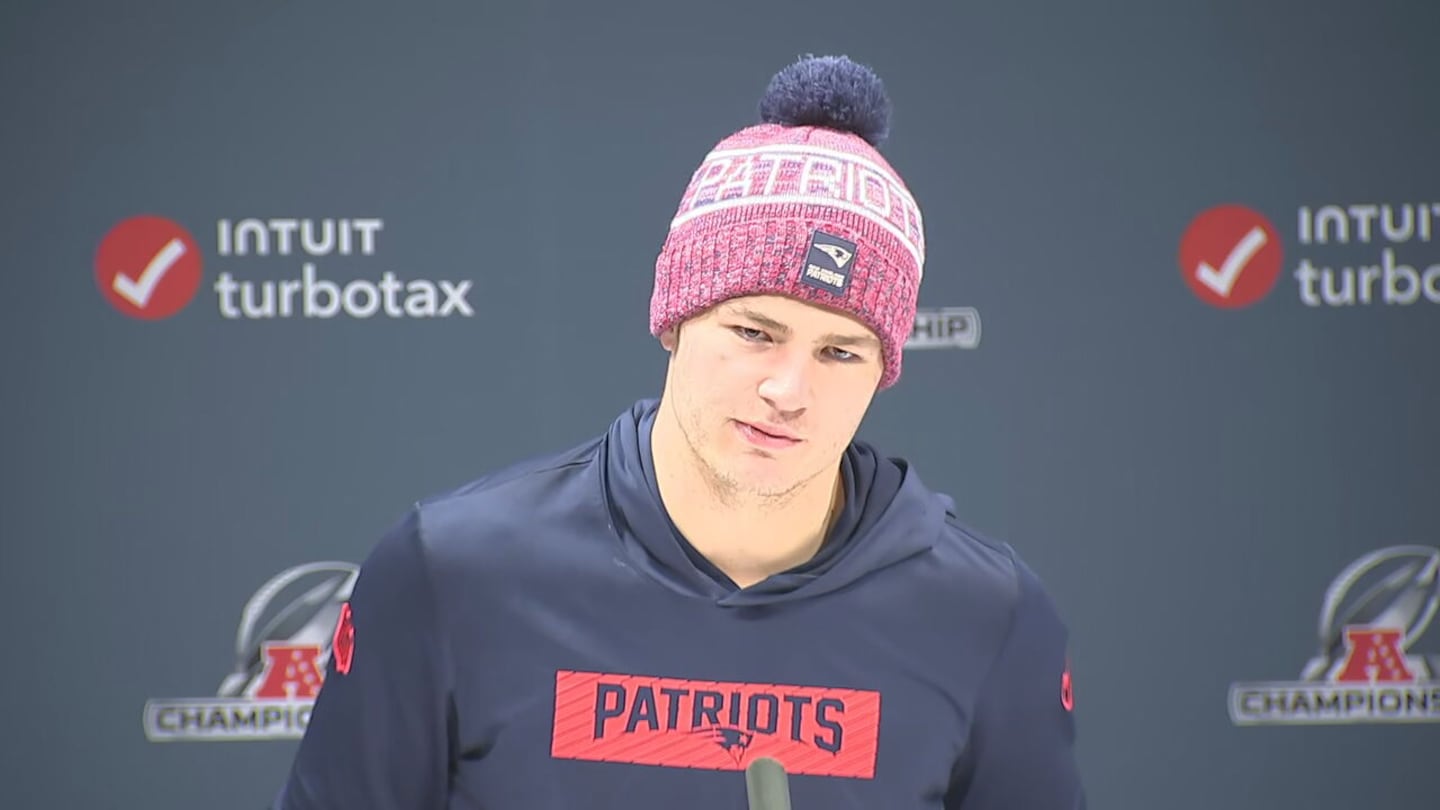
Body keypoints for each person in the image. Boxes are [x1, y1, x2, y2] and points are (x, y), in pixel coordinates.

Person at [272, 54, 1086, 809]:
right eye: (755, 332)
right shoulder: (451, 574)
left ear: (883, 369)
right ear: (673, 319)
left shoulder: (989, 615)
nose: (788, 390)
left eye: (840, 351)